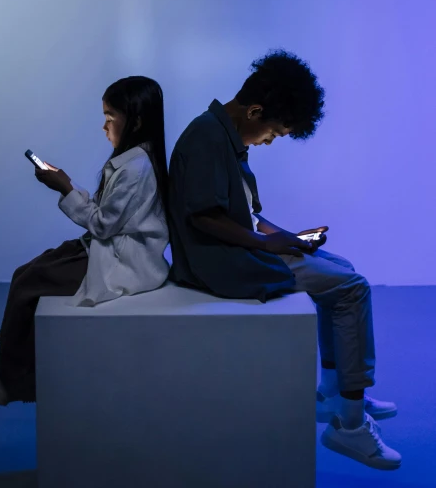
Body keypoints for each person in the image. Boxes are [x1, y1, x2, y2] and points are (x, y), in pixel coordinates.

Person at [168, 50, 401, 471]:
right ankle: (348, 425)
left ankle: (334, 390)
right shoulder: (206, 137)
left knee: (343, 268)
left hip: (238, 248)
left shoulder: (224, 137)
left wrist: (288, 238)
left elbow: (251, 217)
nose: (270, 140)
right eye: (273, 132)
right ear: (255, 111)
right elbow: (203, 217)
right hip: (221, 263)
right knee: (352, 288)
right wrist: (270, 246)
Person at [0, 76, 170, 406]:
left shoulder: (136, 167)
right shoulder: (135, 161)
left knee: (30, 283)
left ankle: (5, 378)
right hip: (107, 249)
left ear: (134, 120)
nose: (104, 127)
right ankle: (0, 368)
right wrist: (66, 184)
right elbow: (106, 218)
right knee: (25, 274)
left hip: (123, 262)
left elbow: (103, 224)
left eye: (110, 118)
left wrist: (63, 187)